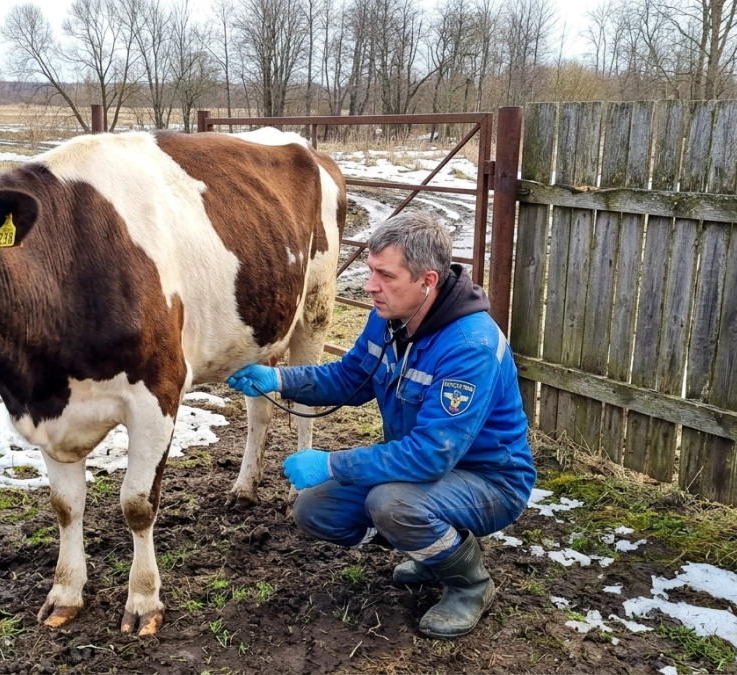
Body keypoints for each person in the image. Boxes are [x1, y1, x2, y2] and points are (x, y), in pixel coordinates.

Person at [227, 212, 535, 639]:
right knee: (315, 509)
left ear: (427, 280)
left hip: (490, 482)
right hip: (425, 472)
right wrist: (278, 379)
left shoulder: (470, 347)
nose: (371, 285)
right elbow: (351, 377)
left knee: (392, 505)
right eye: (371, 271)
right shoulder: (391, 316)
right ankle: (434, 551)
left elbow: (429, 454)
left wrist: (332, 464)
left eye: (385, 275)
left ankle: (470, 584)